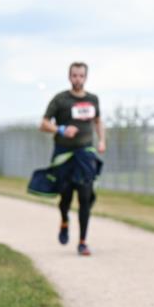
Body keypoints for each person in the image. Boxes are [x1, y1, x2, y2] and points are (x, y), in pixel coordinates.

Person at [33, 62, 105, 256]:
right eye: (74, 75)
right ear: (69, 77)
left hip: (85, 154)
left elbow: (98, 121)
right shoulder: (60, 99)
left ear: (86, 77)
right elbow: (43, 124)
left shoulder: (93, 99)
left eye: (81, 76)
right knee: (65, 197)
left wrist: (102, 141)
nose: (78, 79)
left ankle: (83, 242)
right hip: (64, 155)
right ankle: (64, 220)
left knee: (85, 196)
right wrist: (61, 129)